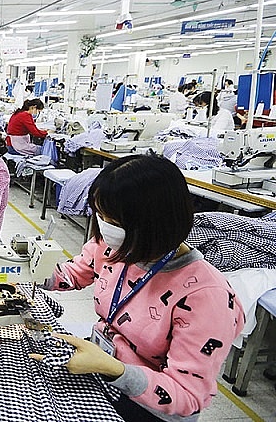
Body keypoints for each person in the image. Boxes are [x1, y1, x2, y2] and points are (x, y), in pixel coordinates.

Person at [32, 155, 243, 422]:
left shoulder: (206, 297)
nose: (104, 228)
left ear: (154, 223)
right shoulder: (117, 246)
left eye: (113, 222)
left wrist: (115, 369)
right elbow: (74, 274)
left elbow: (188, 396)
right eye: (100, 216)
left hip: (150, 406)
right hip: (104, 366)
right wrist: (26, 270)